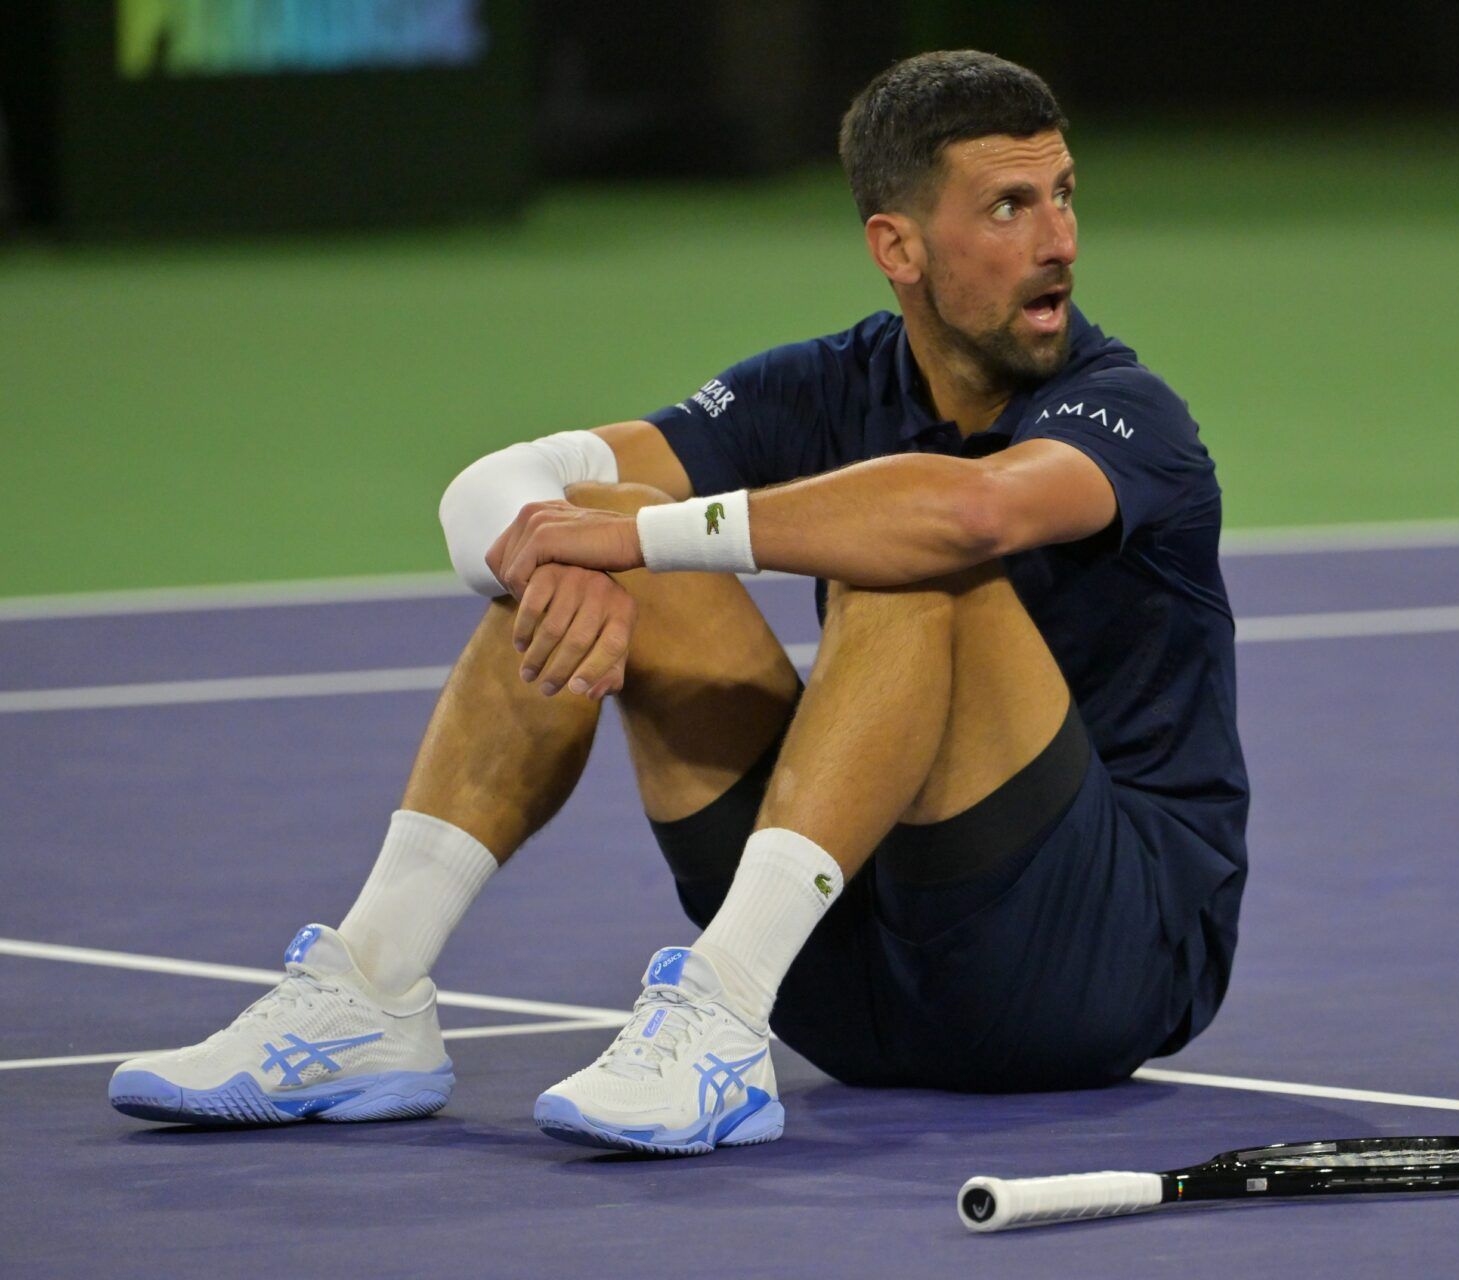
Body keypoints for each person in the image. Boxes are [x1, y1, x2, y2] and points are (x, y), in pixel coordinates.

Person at [108, 49, 1249, 1153]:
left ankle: (716, 1003)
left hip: (1094, 960)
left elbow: (972, 516)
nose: (1059, 241)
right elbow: (504, 487)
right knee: (584, 533)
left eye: (1062, 196)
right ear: (896, 246)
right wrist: (571, 550)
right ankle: (372, 989)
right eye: (1008, 207)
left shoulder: (1128, 411)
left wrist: (633, 533)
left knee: (903, 548)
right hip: (858, 982)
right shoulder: (822, 382)